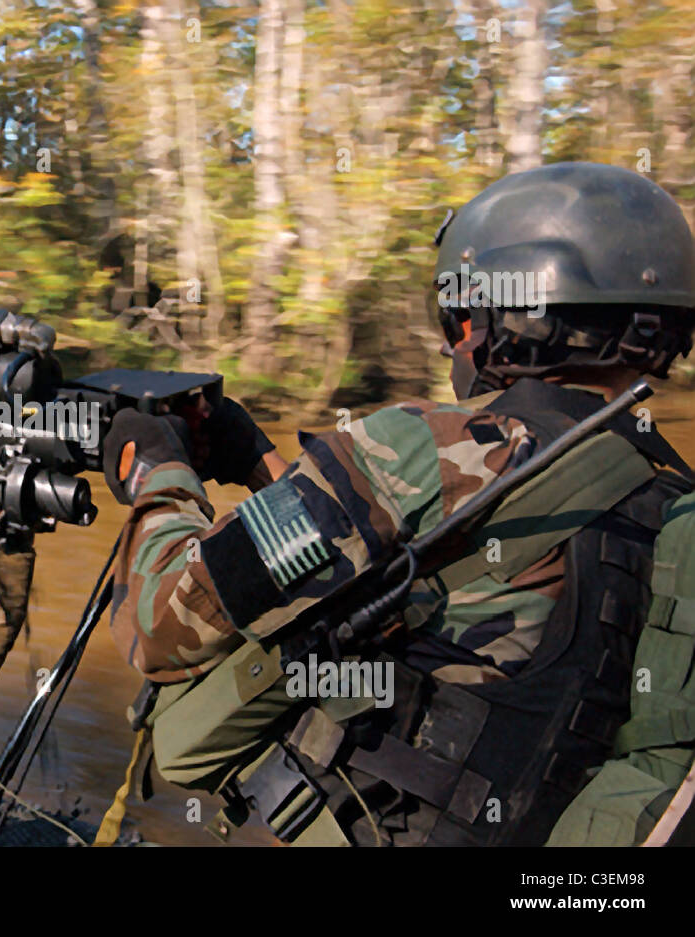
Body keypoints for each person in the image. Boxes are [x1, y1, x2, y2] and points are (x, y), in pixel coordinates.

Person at [101, 162, 695, 846]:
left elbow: (160, 625)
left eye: (462, 312)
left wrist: (157, 473)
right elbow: (388, 553)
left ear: (516, 313)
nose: (456, 339)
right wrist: (261, 463)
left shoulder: (419, 443)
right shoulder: (669, 498)